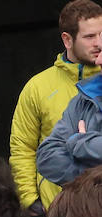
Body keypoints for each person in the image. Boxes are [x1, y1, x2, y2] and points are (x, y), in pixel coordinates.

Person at [10, 0, 102, 217]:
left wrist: (76, 143)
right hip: (55, 211)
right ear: (67, 40)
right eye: (90, 37)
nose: (99, 43)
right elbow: (23, 145)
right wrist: (30, 199)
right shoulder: (38, 86)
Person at [36, 48, 102, 186]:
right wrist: (92, 179)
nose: (98, 60)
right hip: (86, 205)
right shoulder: (83, 98)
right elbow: (47, 156)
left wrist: (79, 142)